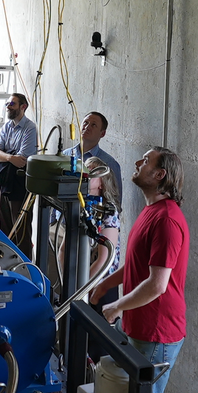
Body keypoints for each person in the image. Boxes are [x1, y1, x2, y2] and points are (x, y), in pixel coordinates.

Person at [99, 146, 188, 393]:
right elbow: (135, 268)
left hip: (157, 330)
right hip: (142, 326)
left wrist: (116, 306)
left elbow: (157, 285)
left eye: (145, 161)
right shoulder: (151, 211)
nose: (137, 163)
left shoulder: (167, 220)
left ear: (160, 174)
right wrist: (105, 283)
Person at [69, 111, 121, 273]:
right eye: (85, 123)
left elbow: (115, 201)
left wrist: (81, 290)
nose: (87, 127)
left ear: (102, 133)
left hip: (92, 237)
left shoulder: (109, 164)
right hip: (65, 223)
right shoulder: (67, 156)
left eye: (93, 125)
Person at [0, 92, 36, 238]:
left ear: (23, 107)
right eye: (7, 104)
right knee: (4, 226)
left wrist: (4, 156)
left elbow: (22, 160)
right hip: (5, 182)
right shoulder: (7, 127)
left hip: (19, 185)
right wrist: (10, 156)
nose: (8, 107)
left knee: (20, 229)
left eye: (12, 104)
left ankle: (24, 260)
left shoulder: (30, 128)